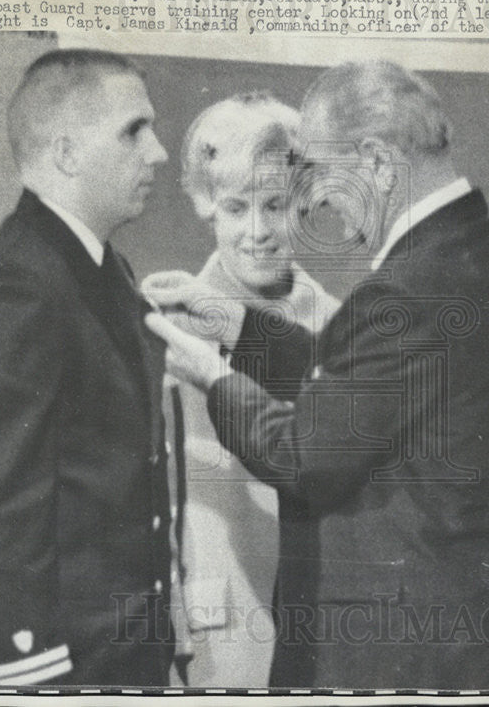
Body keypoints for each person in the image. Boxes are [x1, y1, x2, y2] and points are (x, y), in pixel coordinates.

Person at [145, 60, 489, 689]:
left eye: (322, 176)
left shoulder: (407, 289)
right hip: (465, 640)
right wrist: (236, 322)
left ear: (380, 164)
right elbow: (366, 387)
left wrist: (213, 376)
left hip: (410, 651)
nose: (321, 205)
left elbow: (308, 455)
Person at [0, 49, 176, 686]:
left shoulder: (99, 268)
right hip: (61, 667)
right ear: (67, 154)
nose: (157, 152)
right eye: (134, 130)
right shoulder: (16, 280)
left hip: (120, 654)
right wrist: (32, 671)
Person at [141, 93, 339, 686]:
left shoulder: (342, 330)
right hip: (207, 636)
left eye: (275, 206)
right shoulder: (167, 335)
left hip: (318, 639)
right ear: (207, 207)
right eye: (235, 207)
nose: (257, 231)